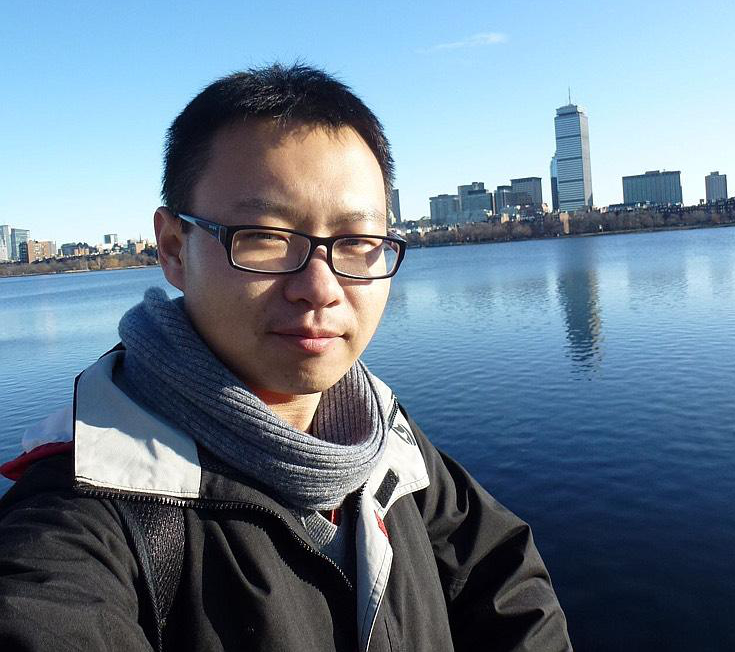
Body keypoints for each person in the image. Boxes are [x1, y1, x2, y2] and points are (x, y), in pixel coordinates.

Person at [0, 64, 572, 651]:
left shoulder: (378, 433)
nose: (320, 288)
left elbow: (505, 577)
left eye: (357, 242)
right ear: (173, 249)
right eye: (265, 237)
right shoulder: (80, 519)